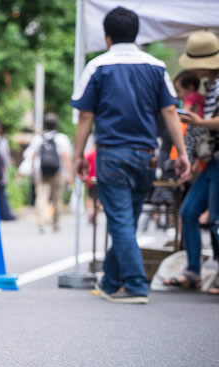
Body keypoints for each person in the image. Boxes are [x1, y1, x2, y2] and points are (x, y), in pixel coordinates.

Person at [72, 6, 190, 304]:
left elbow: (85, 116)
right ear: (137, 34)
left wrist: (78, 154)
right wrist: (183, 153)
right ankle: (111, 282)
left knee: (122, 221)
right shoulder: (157, 66)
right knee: (127, 219)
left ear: (107, 37)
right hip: (147, 157)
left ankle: (136, 284)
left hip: (112, 154)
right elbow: (170, 113)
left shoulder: (98, 66)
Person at [164, 31, 219, 295]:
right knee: (188, 212)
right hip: (209, 160)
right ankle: (194, 271)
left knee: (216, 219)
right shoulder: (210, 86)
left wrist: (198, 122)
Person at [26, 112, 73, 232]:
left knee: (41, 197)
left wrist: (33, 172)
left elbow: (33, 156)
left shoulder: (38, 138)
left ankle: (41, 222)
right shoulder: (61, 138)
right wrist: (69, 175)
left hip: (42, 172)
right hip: (58, 172)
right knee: (57, 199)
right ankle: (55, 224)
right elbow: (66, 157)